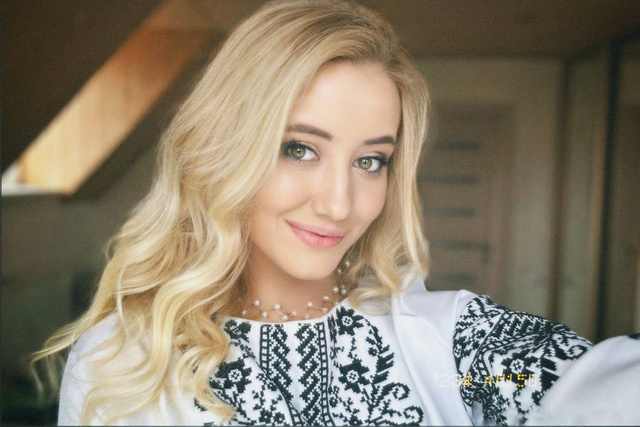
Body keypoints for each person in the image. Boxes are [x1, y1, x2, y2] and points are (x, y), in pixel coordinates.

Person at [32, 0, 640, 425]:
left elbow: (581, 389)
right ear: (224, 148)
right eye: (299, 149)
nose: (339, 203)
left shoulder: (452, 347)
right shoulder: (122, 363)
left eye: (371, 161)